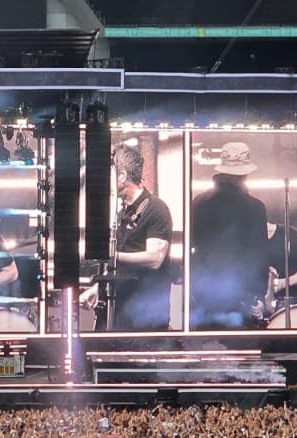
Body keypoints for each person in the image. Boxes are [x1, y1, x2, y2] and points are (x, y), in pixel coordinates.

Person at [189, 141, 269, 329]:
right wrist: (257, 296)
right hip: (240, 295)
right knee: (239, 352)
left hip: (204, 292)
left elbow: (193, 243)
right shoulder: (255, 208)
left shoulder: (199, 202)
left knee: (205, 349)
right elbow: (259, 256)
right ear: (245, 174)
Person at [93, 144, 173, 331]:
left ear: (121, 177)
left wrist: (114, 255)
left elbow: (155, 258)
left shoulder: (156, 209)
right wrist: (96, 289)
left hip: (144, 317)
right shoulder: (122, 213)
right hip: (120, 313)